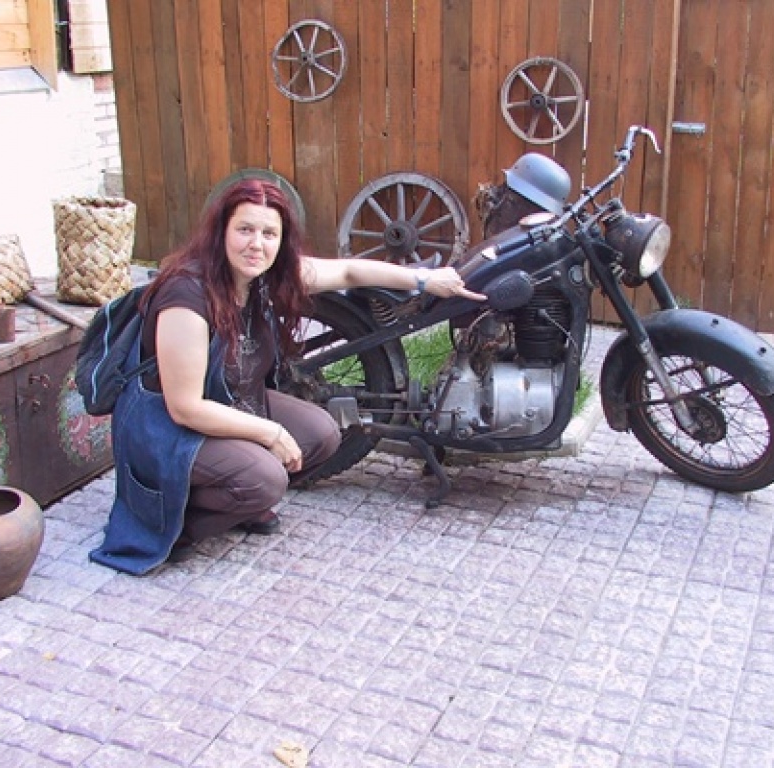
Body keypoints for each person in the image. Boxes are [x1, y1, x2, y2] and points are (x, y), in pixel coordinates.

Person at [90, 179, 484, 574]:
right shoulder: (186, 297)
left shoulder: (264, 276)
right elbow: (185, 408)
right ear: (221, 231)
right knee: (264, 480)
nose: (256, 244)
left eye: (269, 233)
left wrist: (424, 280)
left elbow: (348, 272)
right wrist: (271, 433)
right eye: (245, 229)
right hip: (164, 430)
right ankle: (174, 521)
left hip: (229, 400)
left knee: (323, 433)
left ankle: (235, 497)